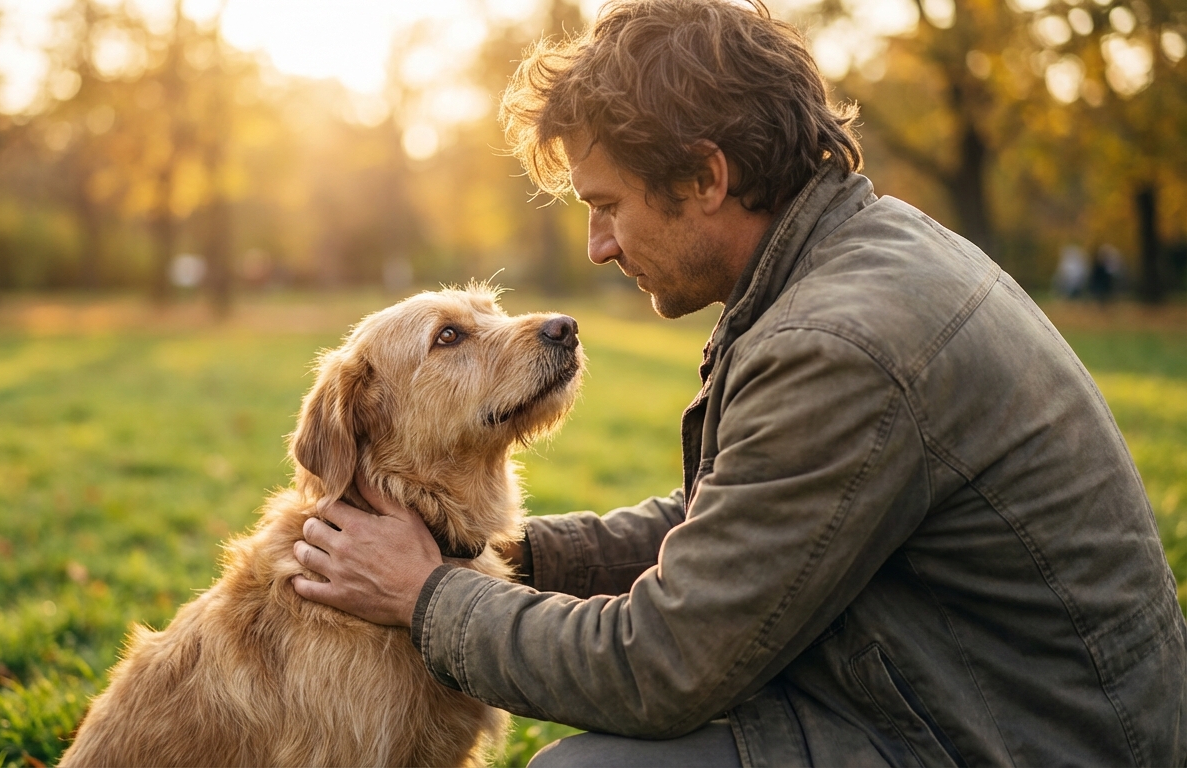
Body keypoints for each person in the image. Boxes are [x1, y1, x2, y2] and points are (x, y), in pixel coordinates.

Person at [289, 1, 1187, 764]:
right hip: (969, 695)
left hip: (1027, 743)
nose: (600, 245)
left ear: (707, 177)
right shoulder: (854, 256)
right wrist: (493, 552)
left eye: (608, 206)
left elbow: (659, 666)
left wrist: (425, 594)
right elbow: (732, 520)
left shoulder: (840, 343)